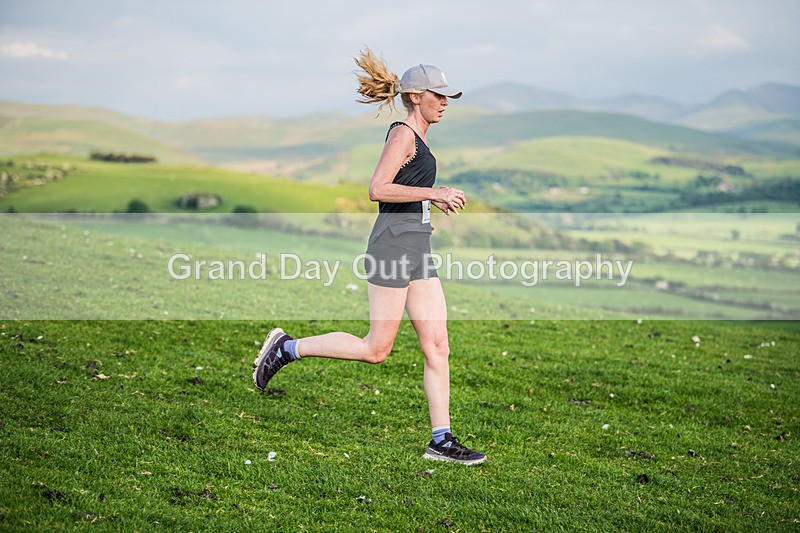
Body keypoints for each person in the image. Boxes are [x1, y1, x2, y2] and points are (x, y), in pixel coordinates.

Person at [252, 48, 486, 466]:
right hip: (392, 246)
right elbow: (378, 188)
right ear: (416, 96)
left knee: (438, 345)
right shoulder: (403, 134)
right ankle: (287, 348)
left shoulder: (421, 138)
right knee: (377, 348)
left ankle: (441, 441)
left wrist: (429, 199)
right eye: (438, 95)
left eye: (447, 96)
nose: (445, 102)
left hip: (417, 247)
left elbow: (403, 190)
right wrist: (434, 192)